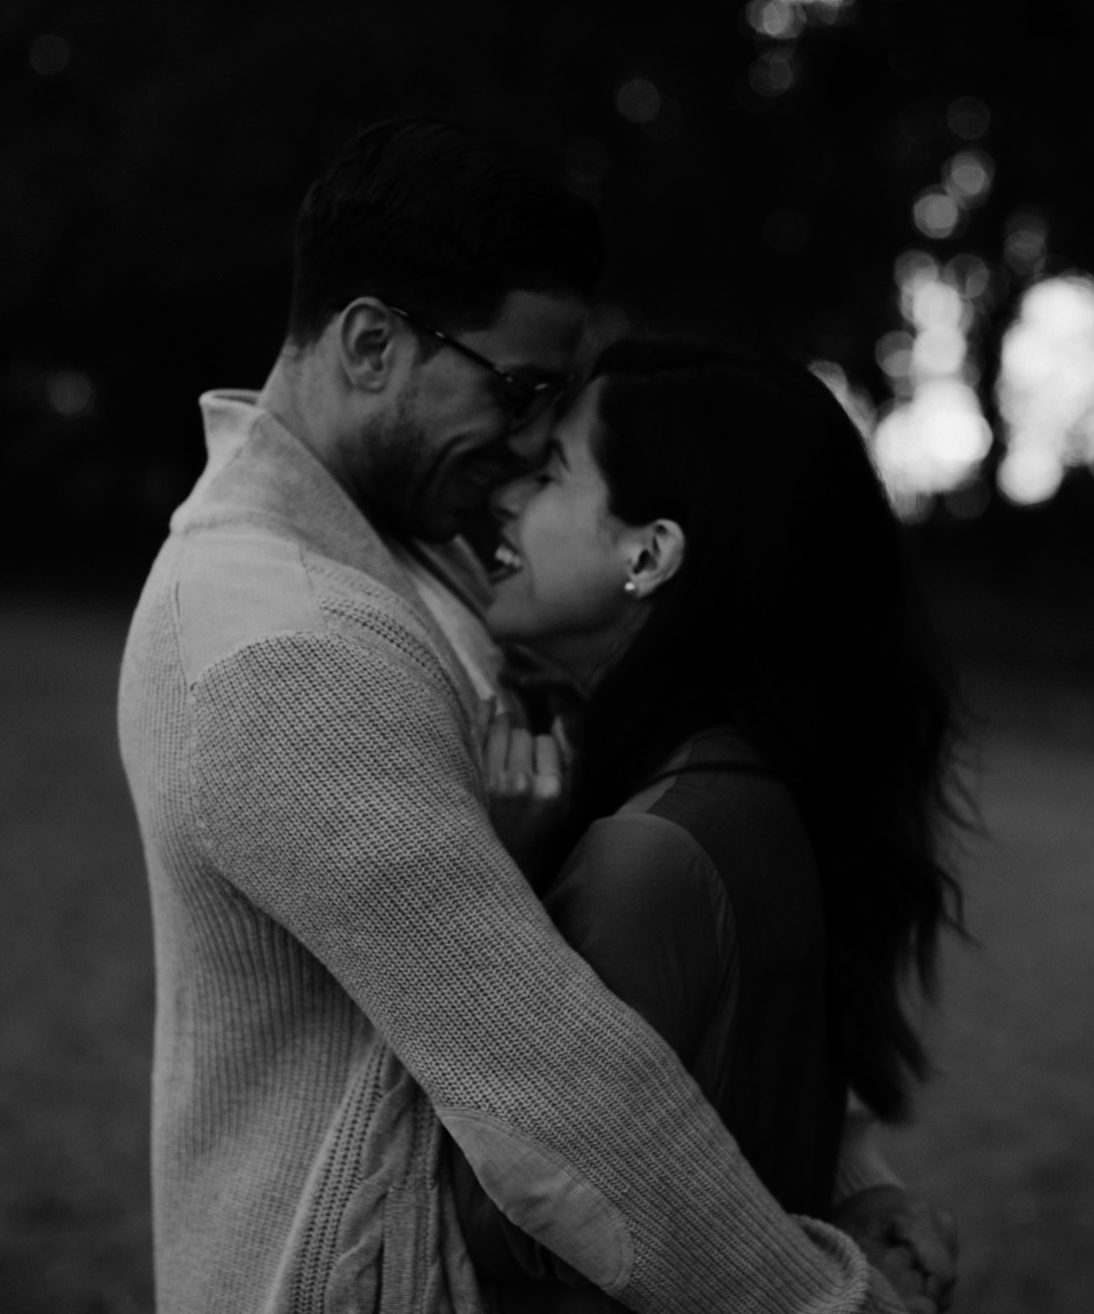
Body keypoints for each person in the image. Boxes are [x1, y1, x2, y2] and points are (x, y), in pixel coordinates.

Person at [117, 118, 914, 1313]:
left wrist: (840, 1168)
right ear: (372, 342)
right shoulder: (279, 641)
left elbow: (666, 972)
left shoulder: (404, 543)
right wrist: (817, 1300)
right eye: (521, 389)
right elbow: (547, 1072)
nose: (541, 436)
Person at [448, 342, 966, 1313]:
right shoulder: (756, 789)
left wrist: (493, 876)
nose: (508, 498)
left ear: (647, 552)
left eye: (551, 470)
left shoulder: (646, 852)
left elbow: (515, 1218)